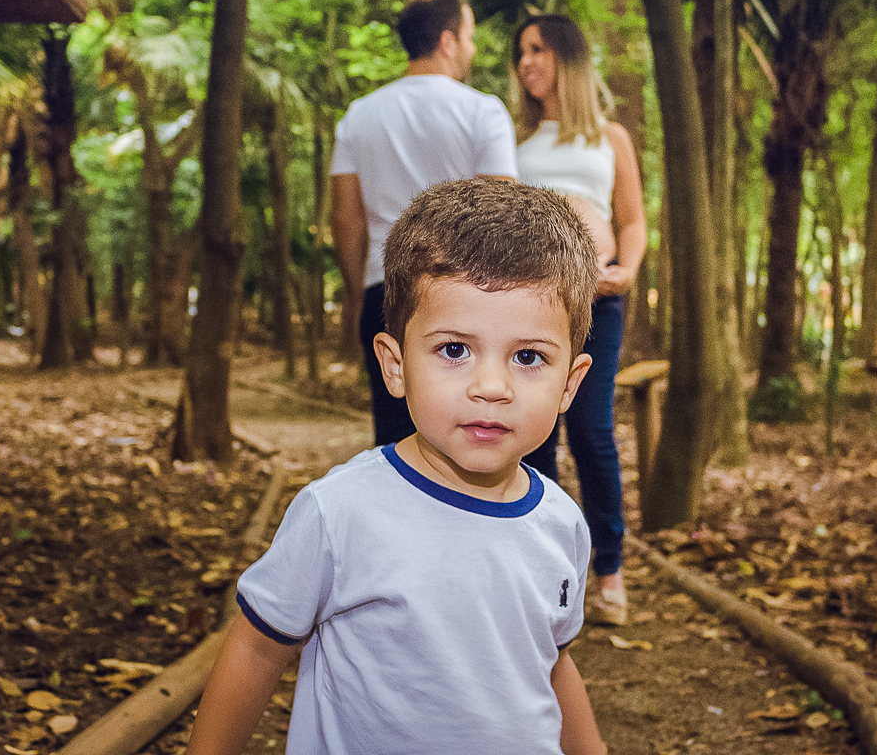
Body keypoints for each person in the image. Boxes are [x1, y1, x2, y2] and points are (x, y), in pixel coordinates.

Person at [186, 179, 608, 755]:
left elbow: (552, 665)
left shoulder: (562, 523)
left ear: (570, 383)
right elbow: (257, 650)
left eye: (528, 357)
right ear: (395, 365)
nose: (491, 387)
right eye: (454, 350)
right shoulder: (339, 513)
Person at [330, 0, 518, 446]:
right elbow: (502, 211)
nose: (472, 50)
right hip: (464, 293)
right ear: (448, 41)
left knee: (395, 440)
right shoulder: (482, 111)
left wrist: (360, 295)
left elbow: (346, 221)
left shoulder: (358, 117)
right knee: (466, 434)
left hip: (386, 290)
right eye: (469, 37)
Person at [513, 15, 648, 627]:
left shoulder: (610, 137)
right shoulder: (514, 142)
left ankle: (611, 570)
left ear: (568, 57)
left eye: (538, 49)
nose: (526, 62)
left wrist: (628, 267)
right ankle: (546, 573)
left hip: (598, 299)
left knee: (591, 431)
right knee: (538, 432)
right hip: (533, 304)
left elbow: (633, 219)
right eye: (521, 52)